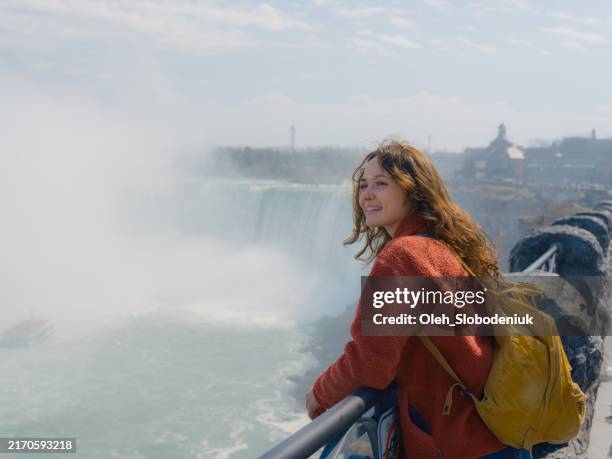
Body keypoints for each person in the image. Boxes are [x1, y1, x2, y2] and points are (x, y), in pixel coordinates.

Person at [305, 141, 532, 459]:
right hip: (490, 436)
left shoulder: (402, 255)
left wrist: (319, 395)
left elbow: (371, 363)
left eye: (381, 184)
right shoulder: (440, 247)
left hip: (456, 444)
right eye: (363, 184)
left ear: (413, 191)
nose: (367, 194)